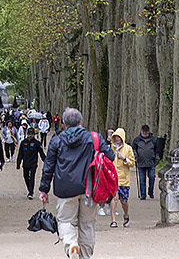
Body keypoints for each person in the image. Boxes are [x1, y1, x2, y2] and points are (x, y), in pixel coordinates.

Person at [40, 107, 116, 259]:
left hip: (65, 189)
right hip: (89, 188)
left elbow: (48, 166)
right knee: (87, 225)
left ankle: (70, 244)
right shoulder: (94, 138)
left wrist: (44, 189)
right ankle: (85, 257)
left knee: (65, 222)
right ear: (81, 121)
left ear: (64, 123)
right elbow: (111, 156)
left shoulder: (57, 140)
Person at [108, 128, 135, 227]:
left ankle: (126, 215)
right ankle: (113, 220)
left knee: (124, 201)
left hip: (124, 179)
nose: (117, 139)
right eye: (115, 137)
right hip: (113, 178)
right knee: (114, 199)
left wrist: (124, 159)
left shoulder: (128, 149)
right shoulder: (110, 148)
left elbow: (132, 163)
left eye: (118, 137)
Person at [16, 125, 46, 199]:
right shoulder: (23, 143)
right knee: (26, 177)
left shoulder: (37, 143)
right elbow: (20, 154)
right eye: (29, 134)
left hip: (33, 163)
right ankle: (29, 189)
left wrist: (46, 161)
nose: (30, 135)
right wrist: (18, 163)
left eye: (32, 134)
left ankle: (31, 192)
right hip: (25, 163)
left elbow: (41, 153)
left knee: (32, 177)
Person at [131, 125, 158, 200]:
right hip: (140, 162)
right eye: (143, 130)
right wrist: (135, 155)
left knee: (152, 177)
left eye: (146, 131)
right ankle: (143, 194)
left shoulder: (153, 140)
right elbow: (133, 149)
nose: (144, 132)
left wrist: (157, 160)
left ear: (149, 131)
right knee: (142, 179)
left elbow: (157, 151)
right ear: (141, 131)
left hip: (151, 162)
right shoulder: (136, 140)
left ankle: (151, 192)